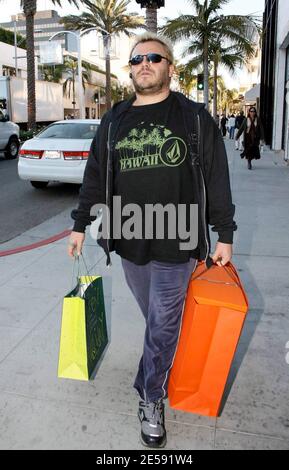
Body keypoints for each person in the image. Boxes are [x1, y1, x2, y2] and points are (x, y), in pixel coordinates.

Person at [67, 33, 237, 449]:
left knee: (163, 323)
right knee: (158, 321)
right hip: (130, 238)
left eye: (154, 57)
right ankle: (156, 370)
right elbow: (95, 176)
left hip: (177, 239)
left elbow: (217, 178)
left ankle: (151, 396)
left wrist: (224, 232)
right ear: (130, 69)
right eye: (137, 59)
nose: (144, 63)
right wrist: (79, 223)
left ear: (169, 67)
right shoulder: (114, 120)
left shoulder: (194, 118)